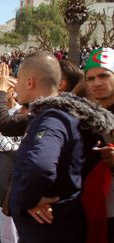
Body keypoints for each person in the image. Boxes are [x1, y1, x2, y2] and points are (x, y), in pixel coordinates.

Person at [7, 52, 112, 243]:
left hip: (53, 230)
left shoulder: (53, 119)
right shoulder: (68, 116)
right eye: (91, 78)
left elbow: (39, 166)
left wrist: (25, 198)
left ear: (29, 82)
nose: (15, 87)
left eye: (18, 80)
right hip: (71, 222)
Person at [83, 47, 114, 243]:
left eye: (103, 76)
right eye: (91, 78)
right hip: (95, 213)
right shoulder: (86, 116)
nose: (97, 83)